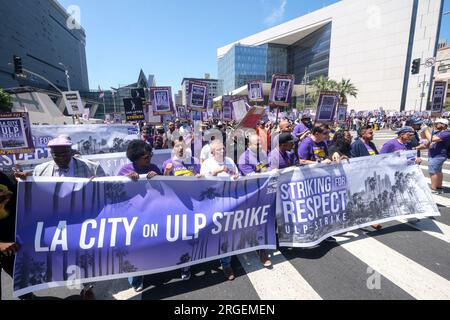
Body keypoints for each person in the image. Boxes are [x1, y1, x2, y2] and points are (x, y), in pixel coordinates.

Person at [14, 136, 106, 300]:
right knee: (58, 256)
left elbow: (105, 191)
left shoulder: (92, 168)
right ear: (51, 153)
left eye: (65, 154)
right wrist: (25, 181)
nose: (61, 158)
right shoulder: (41, 170)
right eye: (57, 155)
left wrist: (97, 185)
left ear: (71, 151)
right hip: (54, 223)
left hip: (82, 221)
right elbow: (36, 194)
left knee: (85, 255)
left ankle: (88, 287)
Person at [118, 140, 162, 292]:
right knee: (135, 248)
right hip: (132, 216)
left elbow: (166, 190)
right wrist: (126, 180)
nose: (149, 158)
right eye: (145, 157)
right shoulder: (125, 170)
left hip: (152, 214)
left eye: (150, 155)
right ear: (135, 158)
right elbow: (116, 191)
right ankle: (136, 278)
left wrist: (158, 177)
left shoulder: (154, 168)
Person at [162, 139, 201, 280]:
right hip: (175, 206)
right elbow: (163, 186)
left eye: (182, 146)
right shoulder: (168, 164)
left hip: (192, 205)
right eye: (177, 146)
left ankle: (186, 266)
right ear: (173, 148)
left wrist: (200, 176)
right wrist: (166, 172)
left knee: (190, 235)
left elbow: (201, 178)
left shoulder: (194, 161)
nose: (180, 149)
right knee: (177, 236)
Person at [200, 140, 239, 281]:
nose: (222, 151)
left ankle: (226, 264)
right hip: (213, 204)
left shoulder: (229, 161)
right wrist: (216, 172)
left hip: (229, 201)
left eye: (223, 149)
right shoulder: (207, 164)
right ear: (212, 153)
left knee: (226, 234)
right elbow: (203, 183)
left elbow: (236, 175)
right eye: (219, 150)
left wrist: (235, 176)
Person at [237, 134, 272, 267]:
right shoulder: (243, 158)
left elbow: (267, 167)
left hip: (265, 192)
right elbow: (252, 177)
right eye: (256, 144)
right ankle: (261, 250)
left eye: (260, 143)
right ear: (249, 145)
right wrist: (268, 173)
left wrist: (270, 171)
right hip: (251, 195)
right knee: (256, 222)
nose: (260, 145)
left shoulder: (263, 153)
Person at [350, 126, 382, 231]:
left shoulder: (371, 144)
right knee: (363, 198)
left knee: (371, 197)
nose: (373, 134)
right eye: (370, 133)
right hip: (361, 177)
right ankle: (366, 219)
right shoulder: (356, 145)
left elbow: (377, 156)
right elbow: (353, 161)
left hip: (371, 175)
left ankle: (368, 218)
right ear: (362, 134)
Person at [422, 118, 450, 194]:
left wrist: (425, 129)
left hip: (438, 155)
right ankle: (439, 186)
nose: (436, 125)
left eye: (438, 123)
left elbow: (433, 139)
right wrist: (425, 130)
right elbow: (425, 138)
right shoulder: (438, 132)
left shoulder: (446, 133)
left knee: (433, 172)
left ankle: (434, 188)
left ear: (443, 125)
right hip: (435, 154)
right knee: (438, 171)